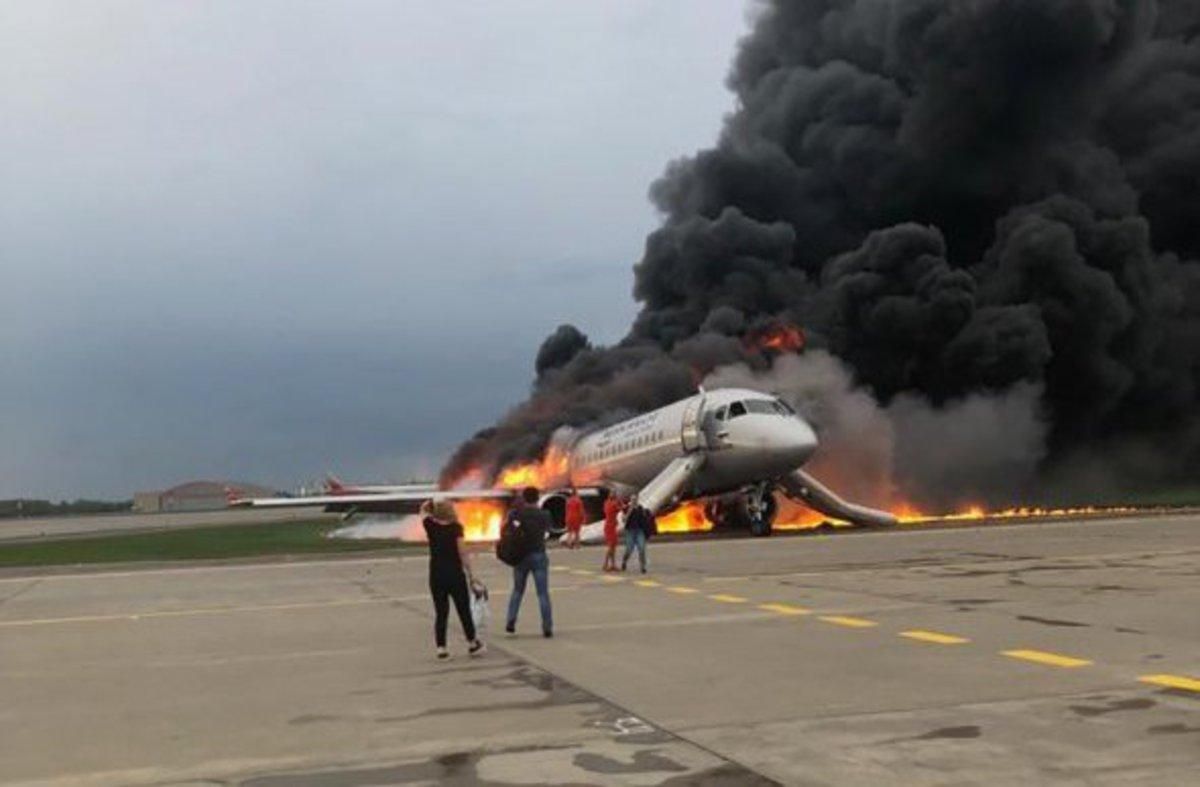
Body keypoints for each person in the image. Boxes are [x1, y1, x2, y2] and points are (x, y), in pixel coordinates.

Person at [421, 499, 485, 660]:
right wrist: (471, 574)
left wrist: (430, 503)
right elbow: (462, 553)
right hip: (455, 574)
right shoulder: (456, 528)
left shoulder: (430, 526)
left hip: (436, 574)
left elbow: (422, 510)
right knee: (463, 610)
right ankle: (472, 642)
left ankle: (441, 647)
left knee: (441, 612)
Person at [504, 486, 554, 637]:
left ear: (524, 498)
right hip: (538, 554)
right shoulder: (545, 514)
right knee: (542, 593)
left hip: (521, 556)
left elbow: (508, 527)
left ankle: (511, 621)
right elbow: (549, 530)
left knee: (517, 591)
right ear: (538, 498)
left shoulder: (516, 514)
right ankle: (547, 626)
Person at [621, 494, 654, 574]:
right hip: (630, 531)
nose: (634, 501)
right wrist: (630, 510)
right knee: (629, 549)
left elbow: (644, 520)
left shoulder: (640, 508)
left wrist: (647, 531)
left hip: (639, 531)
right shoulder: (626, 508)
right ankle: (624, 561)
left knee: (642, 548)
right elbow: (624, 520)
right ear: (630, 500)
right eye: (632, 499)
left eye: (635, 499)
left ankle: (643, 567)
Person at [601, 491, 623, 571]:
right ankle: (605, 564)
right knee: (611, 547)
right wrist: (620, 502)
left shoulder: (606, 503)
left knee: (613, 547)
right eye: (612, 493)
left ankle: (613, 565)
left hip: (611, 526)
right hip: (610, 527)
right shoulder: (613, 504)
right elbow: (620, 508)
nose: (613, 495)